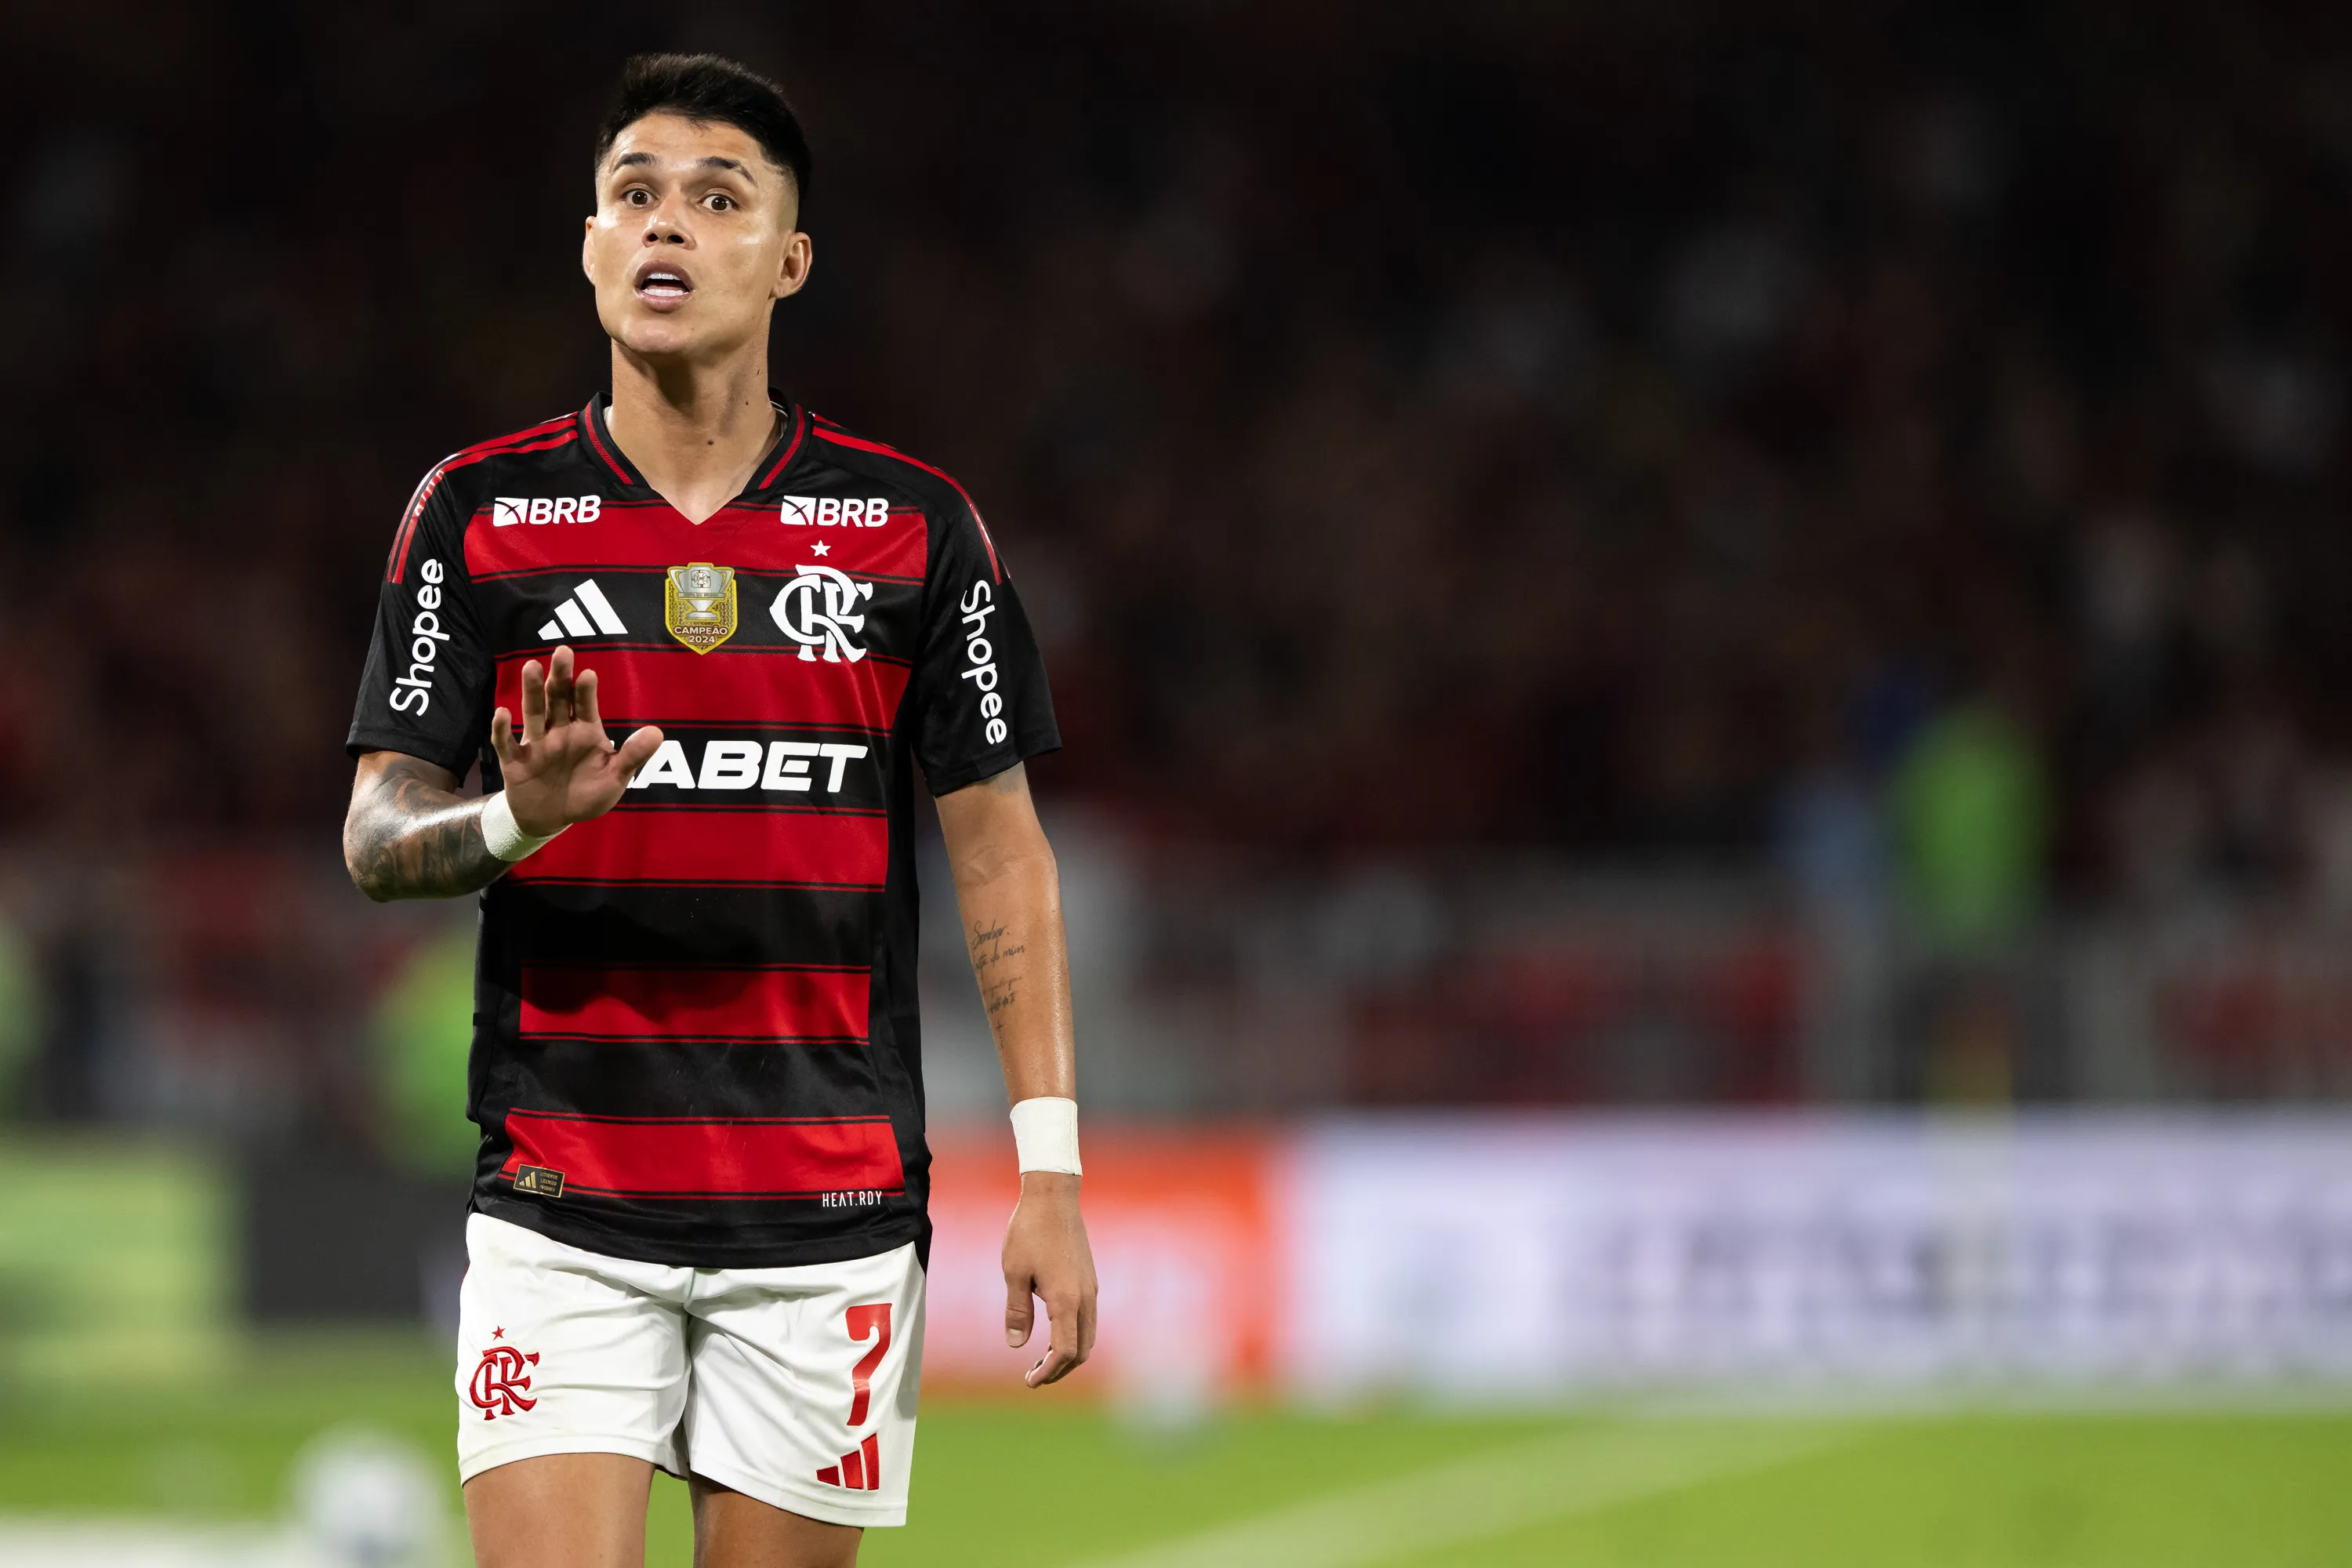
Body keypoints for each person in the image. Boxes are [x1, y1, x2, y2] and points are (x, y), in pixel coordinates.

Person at [340, 53, 1096, 1568]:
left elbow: (1001, 851)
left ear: (792, 260)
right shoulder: (481, 514)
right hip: (564, 1197)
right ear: (590, 246)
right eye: (634, 197)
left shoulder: (913, 530)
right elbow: (374, 836)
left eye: (716, 197)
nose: (666, 227)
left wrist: (1054, 1173)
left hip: (828, 1208)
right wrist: (512, 819)